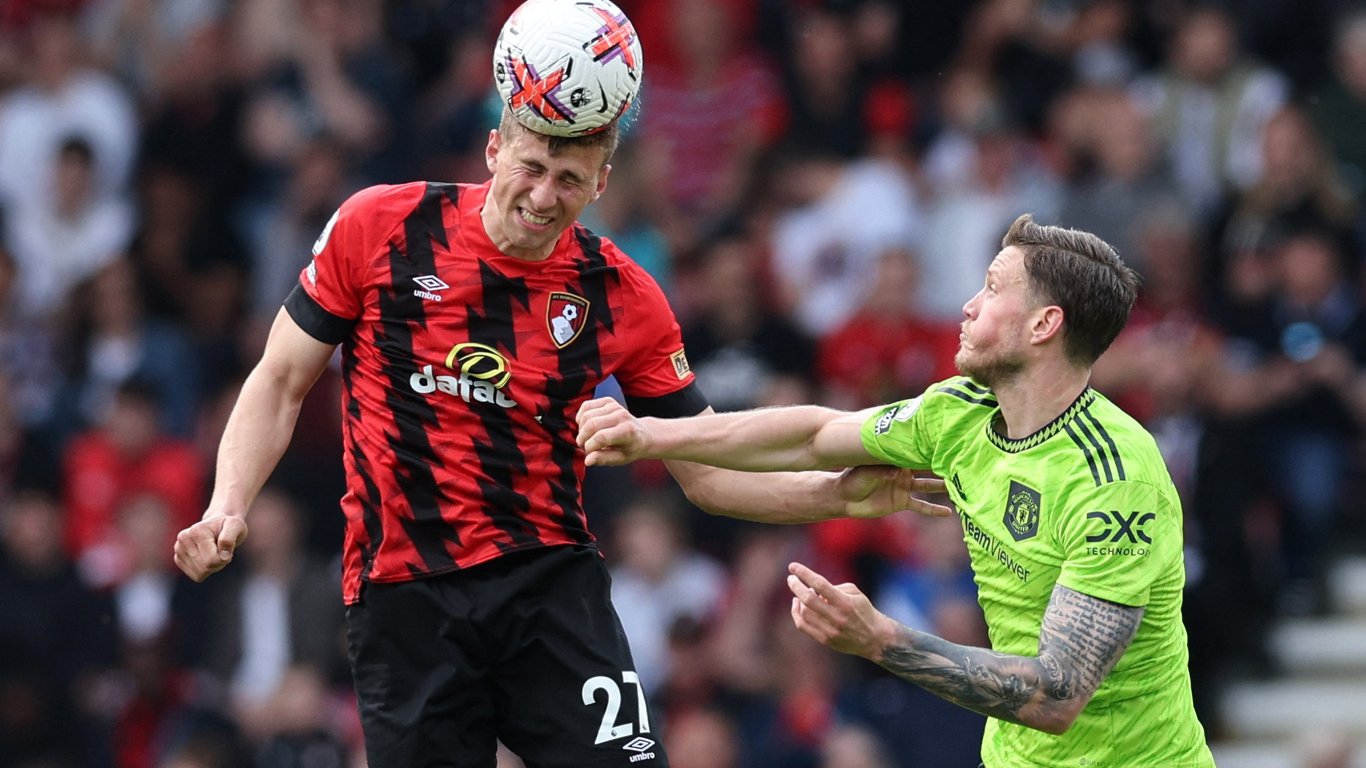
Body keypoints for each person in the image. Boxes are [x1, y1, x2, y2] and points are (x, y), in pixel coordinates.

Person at [171, 97, 948, 766]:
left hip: (548, 590)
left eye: (570, 179)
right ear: (494, 150)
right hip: (403, 594)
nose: (545, 196)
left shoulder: (624, 295)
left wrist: (839, 495)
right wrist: (227, 504)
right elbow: (279, 381)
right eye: (532, 168)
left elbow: (709, 471)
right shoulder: (380, 226)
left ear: (601, 184)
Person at [578, 213, 1217, 767]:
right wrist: (651, 433)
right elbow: (814, 435)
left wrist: (878, 639)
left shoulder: (1115, 481)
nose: (968, 305)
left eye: (993, 288)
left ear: (1044, 325)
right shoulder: (960, 412)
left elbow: (1055, 696)